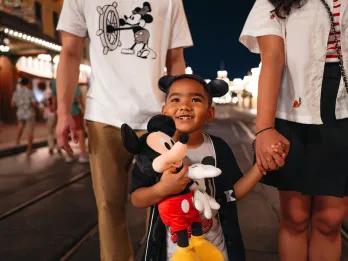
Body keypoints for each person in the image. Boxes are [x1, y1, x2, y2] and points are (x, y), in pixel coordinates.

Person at [55, 1, 193, 260]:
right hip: (104, 114)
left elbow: (176, 59)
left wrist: (178, 111)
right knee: (109, 207)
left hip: (158, 118)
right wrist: (63, 112)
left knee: (165, 202)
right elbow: (70, 52)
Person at [129, 74, 285, 260]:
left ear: (210, 113)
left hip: (216, 246)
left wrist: (260, 167)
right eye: (176, 99)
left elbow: (232, 193)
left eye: (195, 99)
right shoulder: (152, 150)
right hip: (171, 251)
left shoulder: (218, 148)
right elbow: (137, 198)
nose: (184, 105)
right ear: (164, 112)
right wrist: (163, 189)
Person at [240, 0, 348, 260]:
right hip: (293, 110)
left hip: (343, 110)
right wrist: (264, 128)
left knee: (330, 221)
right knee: (295, 217)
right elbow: (272, 58)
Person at [51, 81, 88, 163]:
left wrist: (55, 110)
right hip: (74, 111)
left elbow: (54, 100)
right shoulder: (73, 81)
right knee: (79, 132)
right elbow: (79, 99)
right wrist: (85, 110)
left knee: (64, 132)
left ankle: (69, 155)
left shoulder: (54, 82)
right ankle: (82, 154)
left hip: (62, 112)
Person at [11, 77, 36, 156]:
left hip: (20, 113)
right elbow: (34, 104)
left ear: (20, 83)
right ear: (28, 83)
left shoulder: (16, 93)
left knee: (20, 126)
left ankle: (17, 141)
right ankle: (29, 150)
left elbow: (12, 104)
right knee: (29, 131)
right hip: (29, 113)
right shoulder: (30, 92)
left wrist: (20, 106)